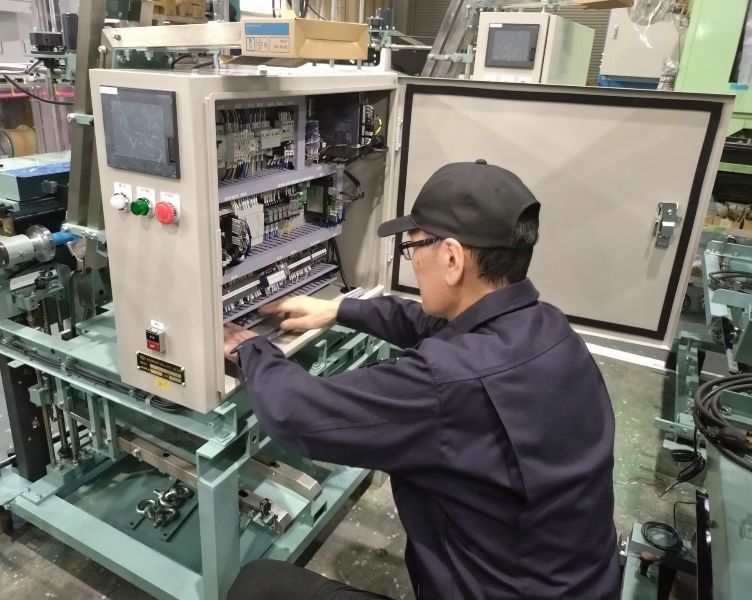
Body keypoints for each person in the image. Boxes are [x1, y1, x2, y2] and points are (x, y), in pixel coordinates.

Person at [224, 160, 619, 600]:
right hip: (580, 582)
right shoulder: (551, 328)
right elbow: (438, 326)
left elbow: (297, 415)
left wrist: (250, 349)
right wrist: (341, 308)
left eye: (412, 247)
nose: (412, 262)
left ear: (451, 258)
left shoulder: (444, 383)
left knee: (259, 584)